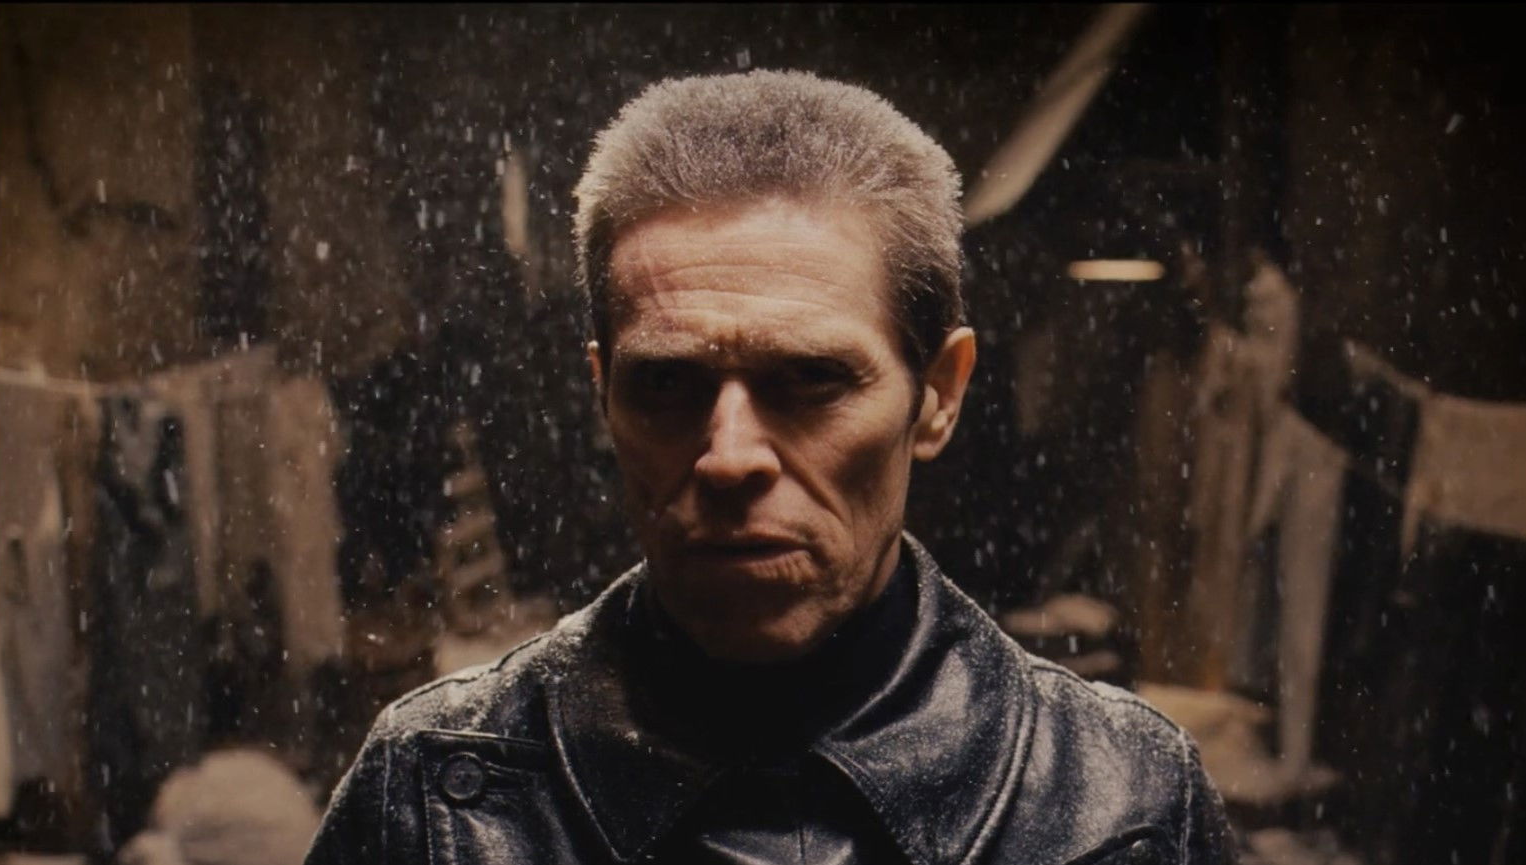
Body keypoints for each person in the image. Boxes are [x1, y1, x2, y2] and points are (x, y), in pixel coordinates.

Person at [305, 70, 1233, 865]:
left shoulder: (1123, 803)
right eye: (666, 383)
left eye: (811, 381)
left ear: (938, 394)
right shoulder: (432, 796)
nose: (729, 457)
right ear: (601, 393)